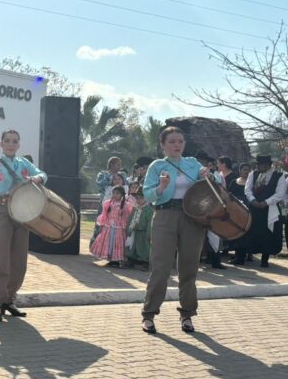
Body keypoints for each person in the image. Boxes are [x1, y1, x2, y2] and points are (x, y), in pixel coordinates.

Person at [140, 126, 222, 335]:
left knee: (189, 268)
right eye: (172, 141)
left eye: (180, 141)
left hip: (192, 218)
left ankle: (187, 314)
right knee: (161, 267)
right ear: (163, 145)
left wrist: (208, 175)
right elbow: (147, 195)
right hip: (165, 215)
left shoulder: (192, 164)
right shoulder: (157, 166)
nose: (177, 145)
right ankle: (149, 314)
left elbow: (215, 185)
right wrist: (161, 186)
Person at [0, 129, 46, 322]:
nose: (11, 144)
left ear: (19, 144)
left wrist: (36, 178)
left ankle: (9, 298)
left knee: (19, 262)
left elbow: (42, 174)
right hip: (0, 210)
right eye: (7, 141)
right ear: (1, 144)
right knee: (1, 260)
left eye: (14, 141)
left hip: (23, 213)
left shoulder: (24, 163)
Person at [234, 155, 287, 268]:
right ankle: (241, 257)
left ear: (267, 165)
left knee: (267, 233)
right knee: (247, 231)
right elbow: (247, 189)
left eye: (260, 165)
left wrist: (266, 202)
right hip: (254, 207)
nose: (258, 167)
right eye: (257, 165)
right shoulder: (253, 174)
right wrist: (253, 200)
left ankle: (265, 259)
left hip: (269, 208)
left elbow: (280, 193)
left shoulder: (279, 176)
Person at [91, 186, 134, 266]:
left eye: (117, 193)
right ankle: (110, 257)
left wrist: (124, 225)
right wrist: (103, 224)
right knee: (108, 242)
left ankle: (116, 260)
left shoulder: (125, 205)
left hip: (119, 228)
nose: (115, 195)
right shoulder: (108, 203)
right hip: (108, 226)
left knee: (117, 242)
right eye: (113, 193)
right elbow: (105, 215)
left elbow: (127, 216)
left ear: (122, 195)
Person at [123, 183, 153, 269]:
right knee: (133, 245)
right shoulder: (135, 208)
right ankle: (131, 259)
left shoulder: (149, 210)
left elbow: (150, 222)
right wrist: (128, 228)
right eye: (137, 198)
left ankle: (145, 261)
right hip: (134, 231)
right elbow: (130, 218)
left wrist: (149, 232)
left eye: (141, 198)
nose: (139, 200)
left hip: (143, 232)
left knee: (144, 246)